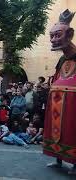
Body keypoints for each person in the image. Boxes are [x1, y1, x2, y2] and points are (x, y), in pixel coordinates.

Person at [43, 9, 76, 174]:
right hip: (57, 104)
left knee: (72, 133)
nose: (53, 40)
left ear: (69, 34)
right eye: (51, 36)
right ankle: (58, 159)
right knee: (58, 133)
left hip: (72, 107)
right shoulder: (62, 60)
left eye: (58, 35)